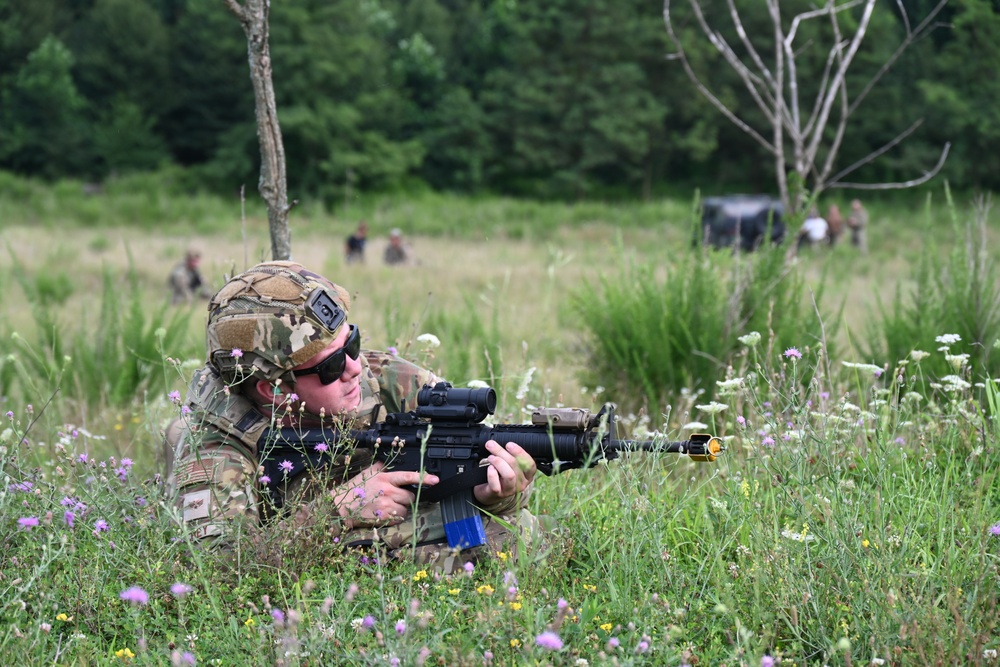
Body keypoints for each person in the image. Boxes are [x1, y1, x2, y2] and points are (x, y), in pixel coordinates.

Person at [164, 261, 538, 571]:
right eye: (331, 366)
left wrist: (494, 494)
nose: (355, 368)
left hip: (383, 527)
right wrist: (336, 512)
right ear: (274, 391)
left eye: (352, 343)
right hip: (296, 562)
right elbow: (215, 573)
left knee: (517, 530)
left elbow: (474, 476)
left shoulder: (395, 382)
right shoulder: (217, 450)